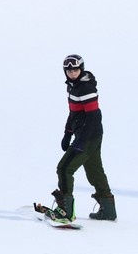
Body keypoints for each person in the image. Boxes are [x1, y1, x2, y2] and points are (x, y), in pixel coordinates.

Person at [50, 54, 117, 221]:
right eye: (69, 70)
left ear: (82, 69)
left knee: (64, 168)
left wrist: (81, 140)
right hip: (87, 134)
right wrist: (67, 133)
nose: (72, 73)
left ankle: (65, 210)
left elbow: (94, 117)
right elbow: (74, 112)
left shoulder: (85, 88)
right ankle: (108, 210)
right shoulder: (73, 86)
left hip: (89, 134)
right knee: (94, 170)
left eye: (75, 70)